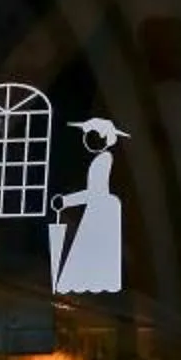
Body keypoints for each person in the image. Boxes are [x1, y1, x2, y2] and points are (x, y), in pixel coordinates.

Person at [49, 116, 128, 293]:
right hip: (99, 209)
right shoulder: (99, 159)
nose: (86, 138)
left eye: (91, 134)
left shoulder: (103, 160)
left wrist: (66, 201)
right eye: (86, 134)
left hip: (99, 211)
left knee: (89, 271)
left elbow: (95, 192)